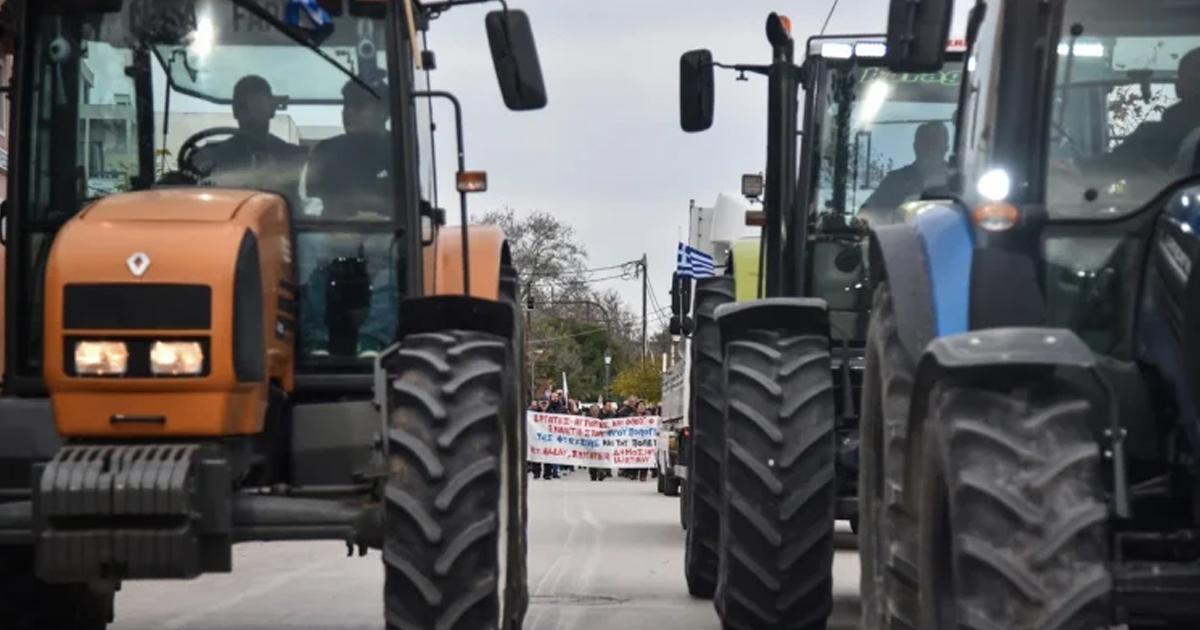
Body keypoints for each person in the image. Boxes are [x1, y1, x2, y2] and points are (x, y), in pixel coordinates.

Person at [298, 78, 398, 359]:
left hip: (385, 231)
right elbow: (311, 201)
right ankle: (313, 339)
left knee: (389, 247)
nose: (348, 112)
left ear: (384, 112)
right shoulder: (325, 151)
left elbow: (410, 198)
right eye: (345, 106)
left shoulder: (399, 149)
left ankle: (373, 340)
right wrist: (335, 225)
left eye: (359, 105)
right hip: (333, 232)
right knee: (306, 244)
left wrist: (379, 218)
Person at [189, 75, 307, 192]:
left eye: (257, 106)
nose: (250, 114)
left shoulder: (294, 158)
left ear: (271, 109)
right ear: (235, 111)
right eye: (243, 107)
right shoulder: (209, 156)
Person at [858, 122, 950, 224]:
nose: (930, 149)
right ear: (916, 147)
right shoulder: (894, 182)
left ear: (945, 149)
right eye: (925, 143)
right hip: (897, 238)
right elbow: (865, 218)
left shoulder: (958, 182)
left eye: (935, 144)